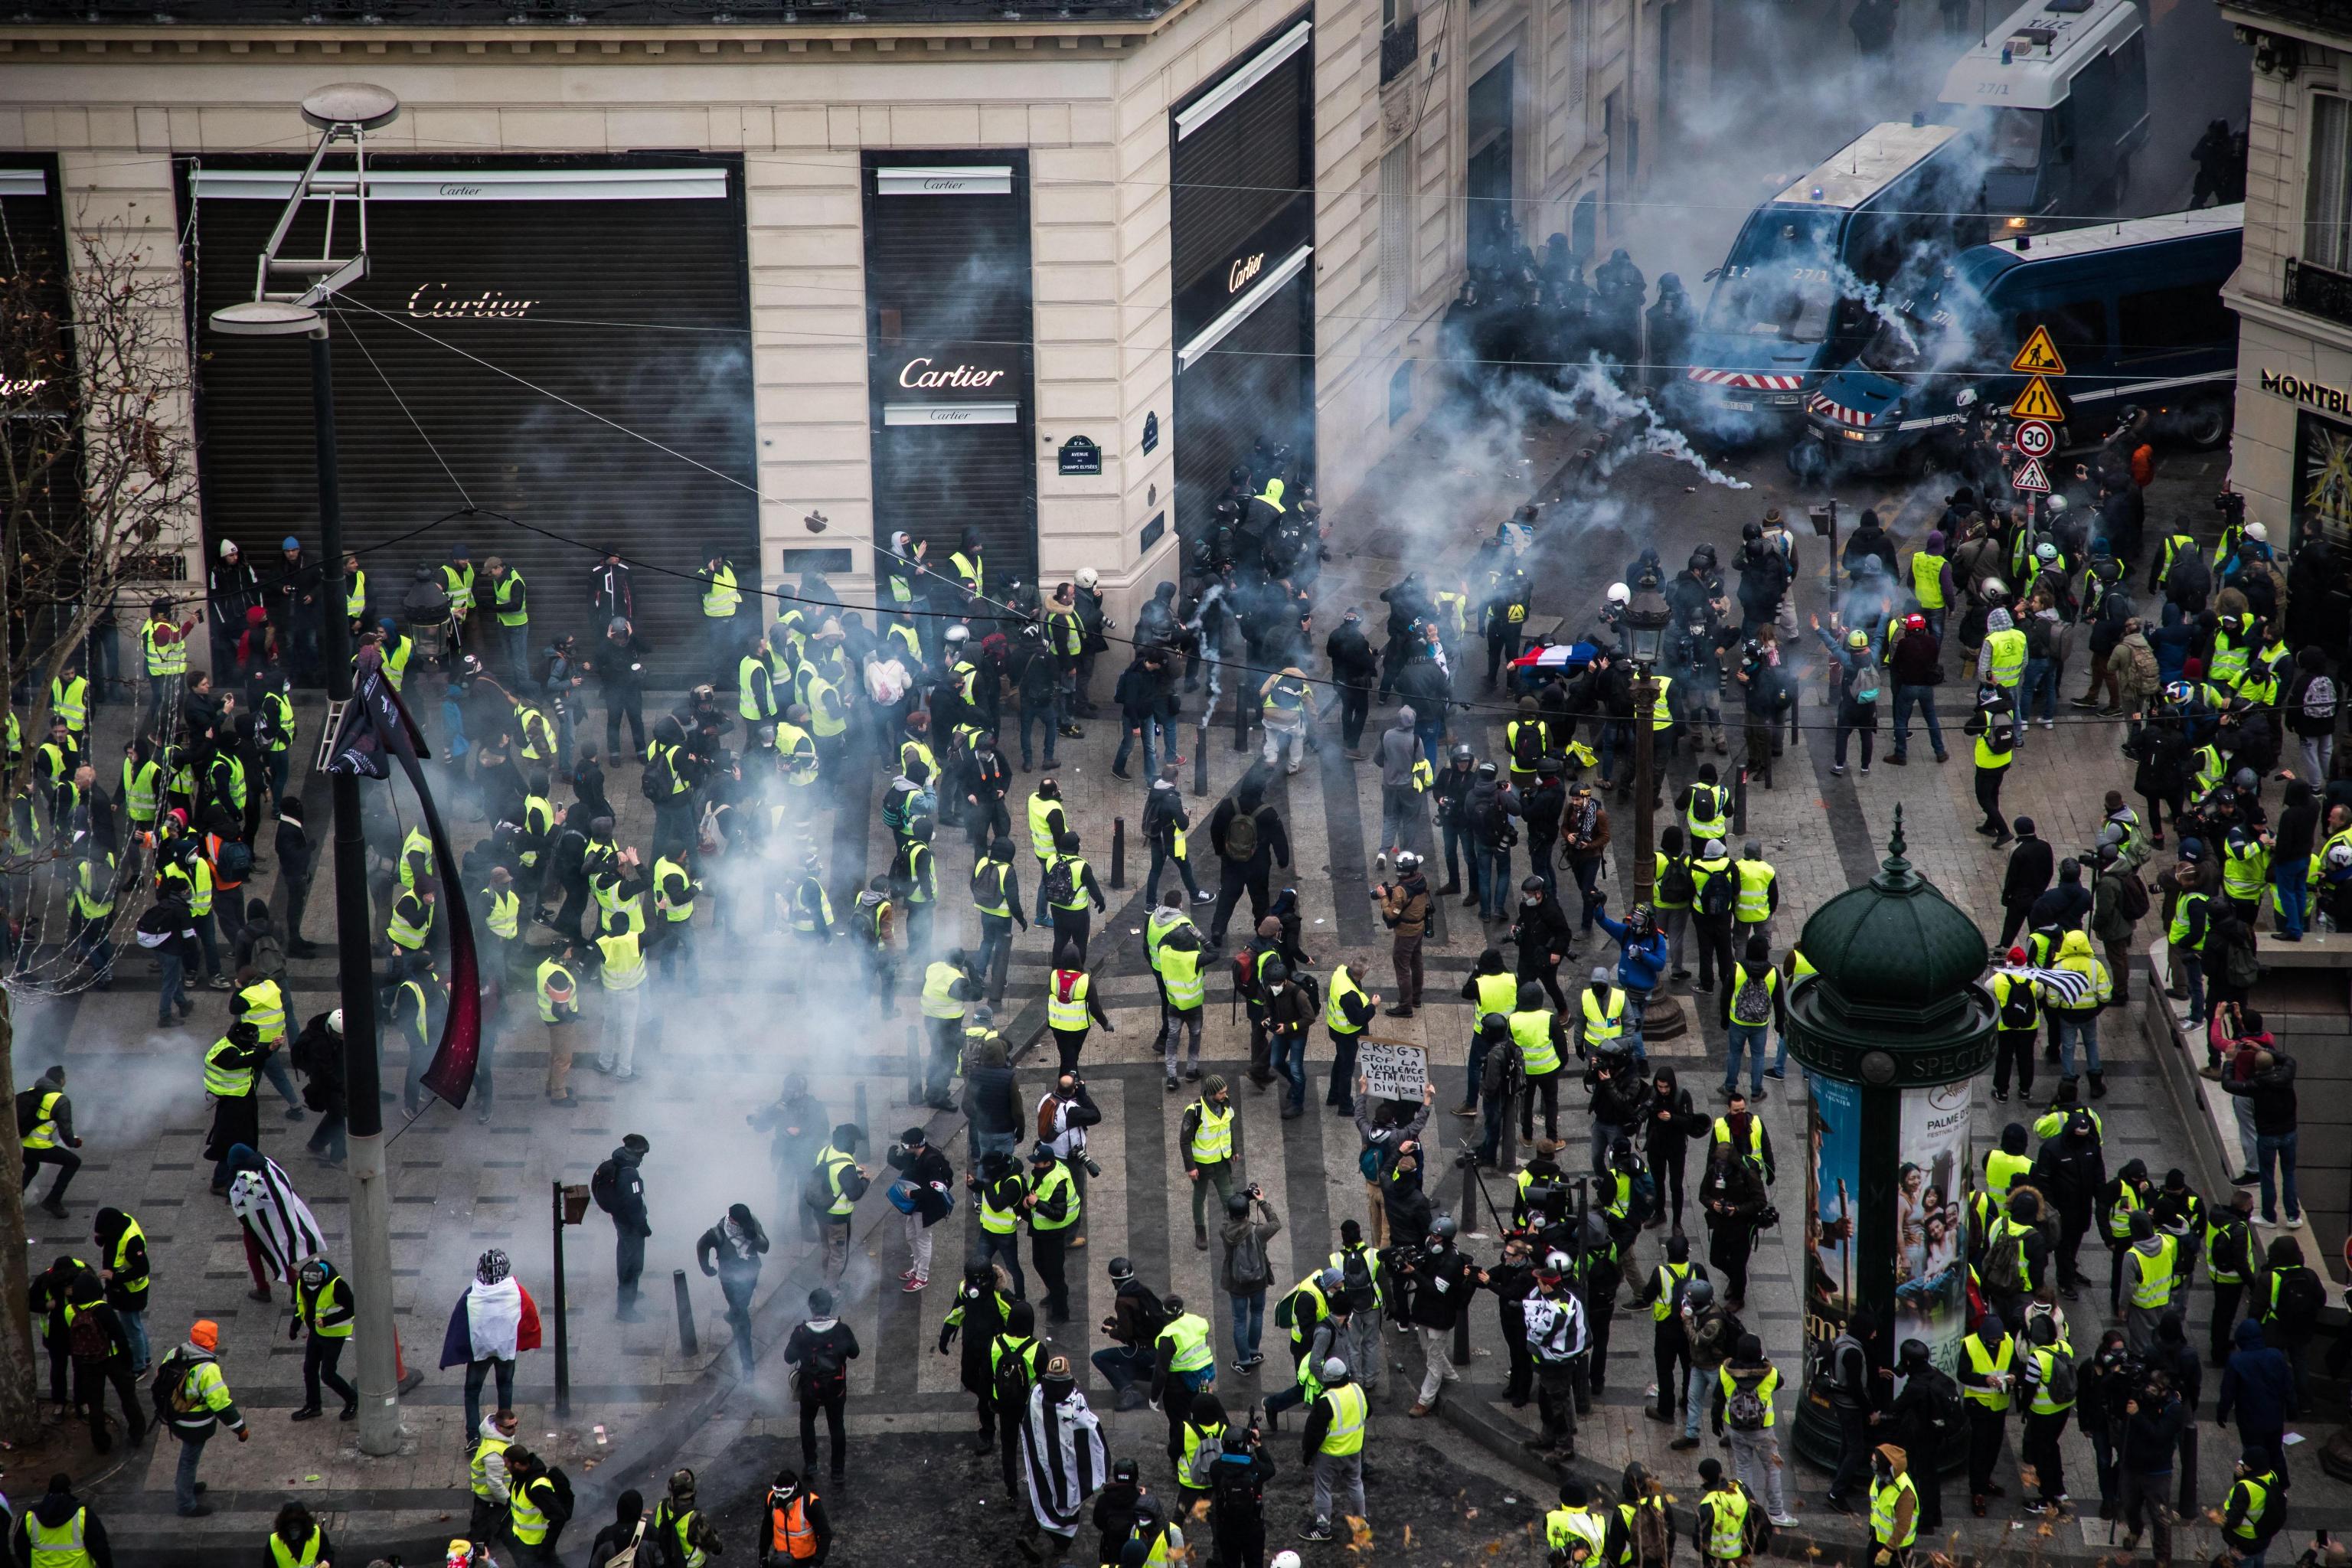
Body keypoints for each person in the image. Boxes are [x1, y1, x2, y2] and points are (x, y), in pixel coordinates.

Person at [442, 1248, 541, 1440]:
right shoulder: (516, 1291)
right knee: (505, 1385)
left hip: (481, 1352)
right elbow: (529, 1317)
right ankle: (505, 1429)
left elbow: (459, 1323)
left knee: (472, 1391)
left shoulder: (472, 1294)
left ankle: (473, 1436)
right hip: (505, 1350)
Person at [157, 1318, 249, 1517]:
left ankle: (187, 1485)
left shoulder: (175, 1353)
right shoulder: (208, 1369)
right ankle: (185, 1504)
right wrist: (240, 1428)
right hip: (195, 1424)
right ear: (211, 1343)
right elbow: (221, 1404)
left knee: (189, 1458)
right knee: (188, 1461)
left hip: (175, 1415)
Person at [1714, 1333, 1796, 1527]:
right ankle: (1776, 1512)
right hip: (1763, 1431)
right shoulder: (1771, 1375)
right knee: (1772, 1469)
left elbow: (1718, 1396)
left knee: (1743, 1468)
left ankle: (1747, 1510)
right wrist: (1763, 1360)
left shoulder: (1725, 1372)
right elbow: (1781, 1382)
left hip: (1735, 1429)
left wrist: (1714, 1419)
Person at [782, 1288, 857, 1486]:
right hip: (836, 1388)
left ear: (811, 1308)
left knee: (807, 1421)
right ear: (830, 1306)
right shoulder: (842, 1330)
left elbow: (788, 1357)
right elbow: (855, 1353)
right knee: (837, 1425)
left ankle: (811, 1464)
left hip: (809, 1389)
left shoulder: (801, 1332)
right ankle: (838, 1471)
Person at [1298, 1356, 1367, 1544]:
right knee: (1355, 1484)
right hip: (1354, 1450)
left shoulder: (1325, 1401)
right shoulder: (1358, 1390)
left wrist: (1307, 1456)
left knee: (1323, 1490)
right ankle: (1361, 1522)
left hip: (1329, 1455)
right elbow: (1368, 1412)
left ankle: (1323, 1528)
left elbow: (1313, 1434)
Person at [696, 1204, 771, 1373]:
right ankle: (748, 1367)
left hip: (751, 1276)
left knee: (739, 1308)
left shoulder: (752, 1223)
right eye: (742, 1223)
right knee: (743, 1319)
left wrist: (754, 1237)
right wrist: (706, 1267)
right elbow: (702, 1245)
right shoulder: (718, 1233)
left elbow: (765, 1247)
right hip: (729, 1281)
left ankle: (732, 1315)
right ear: (732, 1220)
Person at [288, 1256, 357, 1423]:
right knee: (309, 1369)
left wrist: (327, 1321)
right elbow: (301, 1304)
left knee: (328, 1374)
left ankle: (353, 1400)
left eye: (315, 1287)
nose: (311, 1290)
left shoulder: (338, 1286)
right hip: (315, 1332)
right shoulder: (303, 1281)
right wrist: (294, 1326)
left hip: (334, 1334)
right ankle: (313, 1406)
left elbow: (352, 1309)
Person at [1220, 1186, 1281, 1374]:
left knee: (1239, 1320)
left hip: (1236, 1282)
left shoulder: (1224, 1231)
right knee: (1257, 1314)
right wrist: (1261, 1201)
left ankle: (1244, 1361)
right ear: (1247, 1213)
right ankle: (1254, 1352)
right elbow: (1276, 1223)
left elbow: (1227, 1214)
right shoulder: (1258, 1232)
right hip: (1258, 1280)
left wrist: (1243, 1196)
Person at [1958, 1313, 2013, 1516]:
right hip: (1978, 1405)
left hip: (1999, 1405)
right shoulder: (1970, 1344)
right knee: (1979, 1449)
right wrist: (1985, 1380)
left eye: (1998, 1339)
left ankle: (1985, 1479)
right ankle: (1977, 1491)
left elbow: (2014, 1365)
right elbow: (1963, 1374)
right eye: (1993, 1339)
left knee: (1993, 1447)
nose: (1997, 1342)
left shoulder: (2008, 1342)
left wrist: (2014, 1376)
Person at [596, 1134, 654, 1320]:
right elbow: (635, 1203)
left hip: (621, 1219)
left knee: (625, 1256)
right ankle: (625, 1309)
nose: (642, 1158)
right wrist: (643, 1226)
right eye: (642, 1154)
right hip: (631, 1225)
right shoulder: (630, 1175)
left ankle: (629, 1296)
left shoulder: (617, 1161)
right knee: (632, 1264)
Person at [15, 1065, 80, 1217]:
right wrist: (74, 1142)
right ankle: (53, 1201)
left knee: (32, 1167)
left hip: (21, 1144)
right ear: (61, 1080)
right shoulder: (60, 1100)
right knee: (73, 1162)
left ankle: (14, 1198)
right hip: (38, 1146)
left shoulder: (31, 1092)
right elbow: (66, 1133)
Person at [808, 1125, 870, 1285]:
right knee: (838, 1255)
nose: (855, 1146)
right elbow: (855, 1194)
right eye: (854, 1142)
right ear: (848, 1142)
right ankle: (831, 1290)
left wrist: (854, 1172)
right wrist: (865, 1180)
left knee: (826, 1248)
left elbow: (831, 1174)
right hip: (837, 1218)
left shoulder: (825, 1151)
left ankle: (825, 1277)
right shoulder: (846, 1165)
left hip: (820, 1212)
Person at [1693, 1456, 1767, 1568]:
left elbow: (1700, 1541)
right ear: (1721, 1473)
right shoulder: (1740, 1487)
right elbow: (1753, 1513)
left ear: (1703, 1478)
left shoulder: (1707, 1505)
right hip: (1740, 1553)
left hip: (1715, 1557)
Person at [758, 1469, 833, 1566]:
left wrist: (816, 1562)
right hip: (781, 1560)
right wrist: (763, 1554)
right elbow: (767, 1527)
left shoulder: (810, 1503)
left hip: (807, 1560)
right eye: (777, 1491)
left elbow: (825, 1535)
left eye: (785, 1492)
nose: (780, 1497)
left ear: (795, 1489)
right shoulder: (771, 1499)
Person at [652, 1468, 721, 1568]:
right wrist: (718, 1548)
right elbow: (712, 1544)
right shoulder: (695, 1517)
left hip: (666, 1562)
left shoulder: (662, 1506)